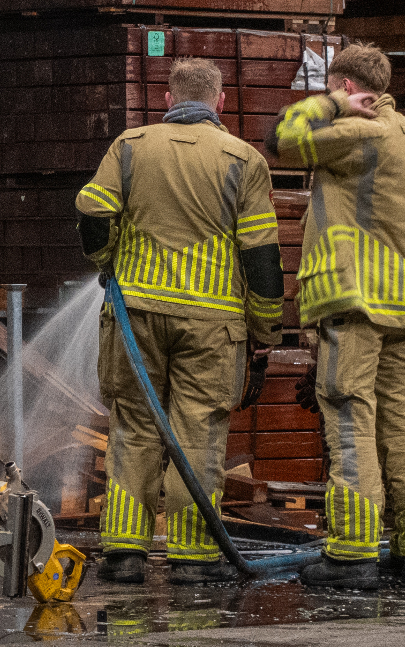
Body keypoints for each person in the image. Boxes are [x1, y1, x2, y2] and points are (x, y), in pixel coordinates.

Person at [268, 43, 405, 590]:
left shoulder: (359, 131)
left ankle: (354, 555)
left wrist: (332, 107)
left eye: (333, 88)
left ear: (350, 88)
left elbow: (282, 137)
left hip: (358, 304)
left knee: (351, 419)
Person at [78, 57, 286, 585]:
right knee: (200, 432)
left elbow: (93, 209)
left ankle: (124, 553)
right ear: (220, 103)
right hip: (212, 323)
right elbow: (261, 255)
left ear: (168, 101)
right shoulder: (243, 159)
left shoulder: (130, 146)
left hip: (137, 315)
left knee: (134, 428)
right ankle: (193, 557)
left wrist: (107, 264)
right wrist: (265, 334)